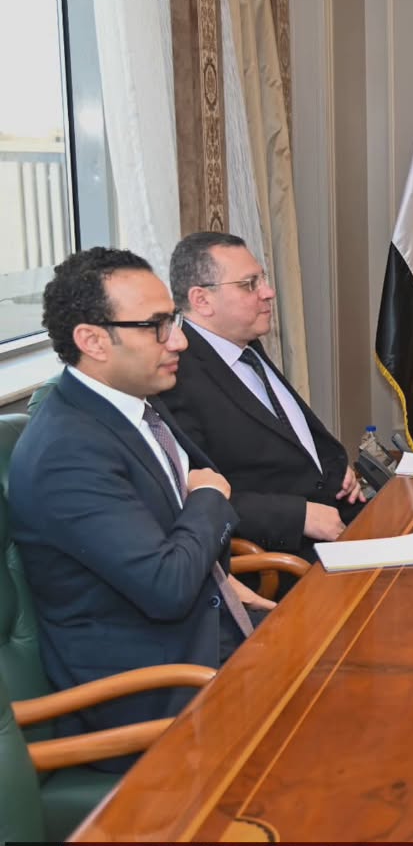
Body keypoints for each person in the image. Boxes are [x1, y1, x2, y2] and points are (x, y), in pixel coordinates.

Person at [9, 248, 267, 770]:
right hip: (154, 694)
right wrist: (209, 497)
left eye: (173, 320)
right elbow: (167, 586)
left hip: (206, 641)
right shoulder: (68, 452)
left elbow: (174, 543)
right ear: (93, 340)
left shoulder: (134, 404)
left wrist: (240, 596)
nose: (179, 340)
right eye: (157, 326)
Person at [158, 232, 364, 564]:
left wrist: (336, 468)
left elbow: (290, 434)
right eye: (249, 284)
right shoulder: (175, 378)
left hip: (343, 516)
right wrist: (299, 516)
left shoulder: (246, 346)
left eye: (263, 279)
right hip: (287, 556)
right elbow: (190, 493)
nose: (268, 292)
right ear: (202, 300)